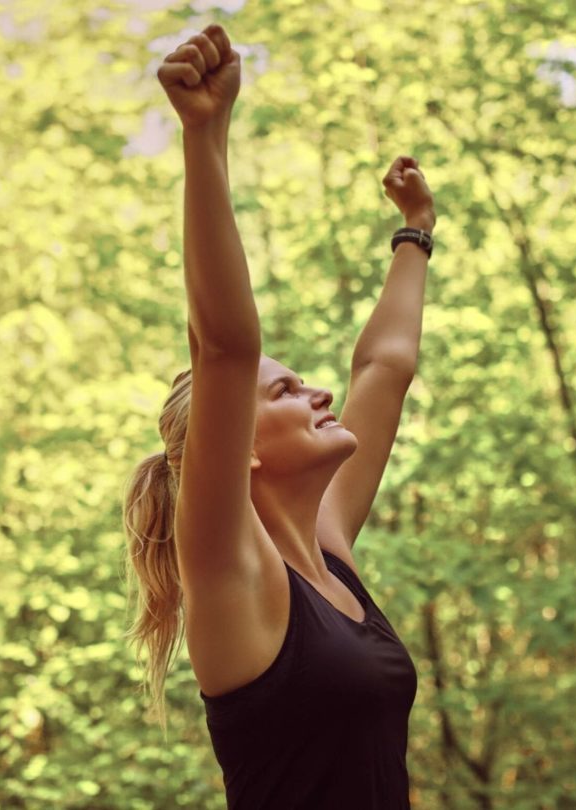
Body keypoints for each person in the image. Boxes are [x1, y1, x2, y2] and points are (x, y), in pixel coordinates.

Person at [123, 22, 436, 809]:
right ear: (242, 453)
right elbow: (225, 346)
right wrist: (204, 134)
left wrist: (415, 232)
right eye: (287, 392)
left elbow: (385, 369)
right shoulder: (233, 572)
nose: (321, 393)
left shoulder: (327, 547)